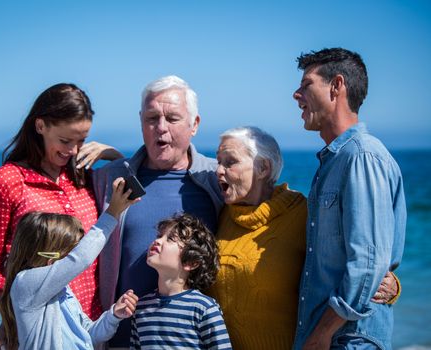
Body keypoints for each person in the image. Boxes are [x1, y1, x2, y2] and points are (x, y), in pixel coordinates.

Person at [0, 83, 121, 348]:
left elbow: (130, 197)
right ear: (40, 126)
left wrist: (112, 154)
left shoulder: (82, 176)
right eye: (66, 141)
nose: (74, 151)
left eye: (81, 140)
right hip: (41, 333)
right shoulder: (6, 181)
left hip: (92, 327)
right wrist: (10, 320)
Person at [91, 75, 223, 348]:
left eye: (172, 118)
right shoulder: (109, 178)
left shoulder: (216, 179)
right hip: (119, 339)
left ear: (194, 124)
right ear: (141, 122)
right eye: (152, 118)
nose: (160, 128)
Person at [291, 48, 406, 349]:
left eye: (306, 85)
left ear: (336, 86)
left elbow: (367, 265)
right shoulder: (335, 160)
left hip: (348, 339)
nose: (296, 95)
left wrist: (322, 334)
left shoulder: (362, 157)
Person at [0, 177, 139, 350]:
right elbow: (80, 259)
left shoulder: (63, 292)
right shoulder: (25, 283)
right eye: (71, 250)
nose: (72, 258)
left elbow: (88, 334)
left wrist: (114, 315)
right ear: (51, 254)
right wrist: (112, 213)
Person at [207, 126, 307, 349]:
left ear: (263, 168)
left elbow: (341, 262)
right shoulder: (220, 214)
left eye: (230, 162)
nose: (218, 171)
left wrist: (387, 284)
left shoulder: (302, 213)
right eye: (218, 161)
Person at [130, 213, 232, 349]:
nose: (158, 241)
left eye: (170, 239)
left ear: (191, 262)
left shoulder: (204, 308)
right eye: (159, 236)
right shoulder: (141, 308)